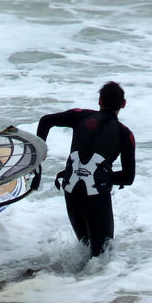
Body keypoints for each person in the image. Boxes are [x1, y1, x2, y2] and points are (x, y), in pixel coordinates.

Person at [34, 81, 135, 258]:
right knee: (102, 259)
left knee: (84, 249)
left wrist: (38, 156)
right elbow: (128, 178)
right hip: (97, 197)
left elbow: (46, 121)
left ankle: (62, 283)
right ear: (123, 104)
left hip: (71, 191)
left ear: (100, 101)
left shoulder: (80, 116)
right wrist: (103, 176)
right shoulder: (125, 134)